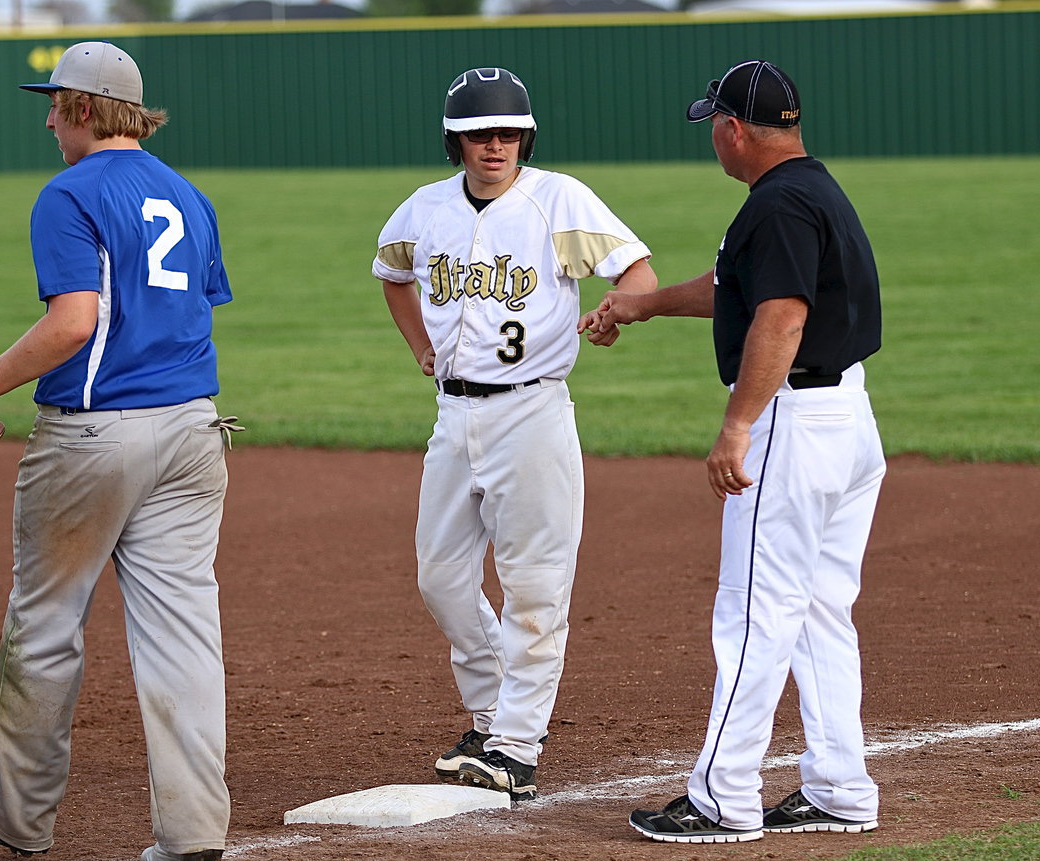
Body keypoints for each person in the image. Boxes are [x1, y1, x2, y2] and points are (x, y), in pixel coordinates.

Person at [580, 60, 885, 843]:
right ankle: (840, 786)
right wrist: (644, 303)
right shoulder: (812, 188)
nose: (713, 135)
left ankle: (722, 796)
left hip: (793, 424)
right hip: (846, 420)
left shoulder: (778, 206)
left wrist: (738, 424)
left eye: (714, 123)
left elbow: (779, 317)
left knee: (754, 608)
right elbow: (736, 285)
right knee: (818, 609)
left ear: (734, 130)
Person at [0, 41, 238, 861]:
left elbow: (75, 323)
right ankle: (192, 835)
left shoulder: (69, 191)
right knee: (184, 635)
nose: (47, 119)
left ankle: (19, 820)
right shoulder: (188, 193)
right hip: (194, 433)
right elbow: (189, 310)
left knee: (43, 628)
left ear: (84, 108)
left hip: (93, 436)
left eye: (55, 105)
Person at [372, 67, 657, 799]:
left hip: (531, 414)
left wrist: (613, 310)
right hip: (453, 413)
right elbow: (391, 272)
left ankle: (515, 745)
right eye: (477, 135)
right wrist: (418, 348)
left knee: (534, 586)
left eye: (506, 133)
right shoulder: (425, 209)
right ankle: (492, 712)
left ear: (524, 137)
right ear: (455, 142)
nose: (493, 146)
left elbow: (639, 275)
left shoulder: (558, 199)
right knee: (440, 577)